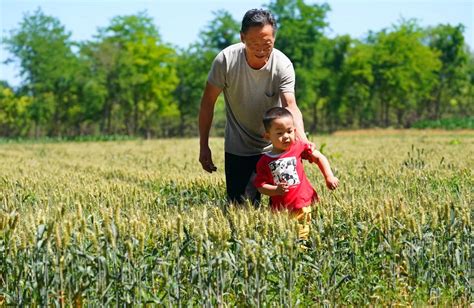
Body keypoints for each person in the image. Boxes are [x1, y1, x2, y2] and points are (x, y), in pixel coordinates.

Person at [198, 8, 312, 205]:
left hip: (276, 148)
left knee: (286, 207)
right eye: (253, 43)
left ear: (274, 38)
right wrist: (203, 146)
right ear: (242, 38)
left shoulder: (282, 65)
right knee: (240, 209)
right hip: (238, 148)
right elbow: (207, 104)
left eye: (266, 44)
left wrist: (302, 139)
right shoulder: (225, 61)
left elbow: (290, 105)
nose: (260, 49)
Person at [253, 107, 339, 239]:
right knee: (283, 237)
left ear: (295, 131)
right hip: (279, 209)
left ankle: (302, 252)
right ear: (267, 136)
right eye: (280, 133)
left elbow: (319, 157)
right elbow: (261, 186)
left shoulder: (299, 147)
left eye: (289, 131)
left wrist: (329, 176)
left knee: (302, 235)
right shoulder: (264, 161)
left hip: (301, 204)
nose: (286, 136)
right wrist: (275, 189)